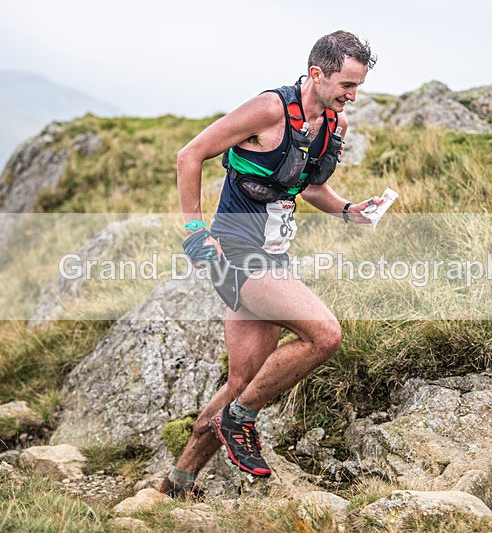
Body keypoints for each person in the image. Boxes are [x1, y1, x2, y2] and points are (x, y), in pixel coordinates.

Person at [162, 30, 381, 499]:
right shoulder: (269, 110)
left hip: (273, 255)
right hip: (234, 253)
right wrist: (194, 230)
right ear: (317, 73)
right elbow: (190, 154)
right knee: (325, 335)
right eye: (346, 84)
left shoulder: (332, 128)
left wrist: (347, 210)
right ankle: (240, 421)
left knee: (243, 380)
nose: (352, 95)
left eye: (358, 86)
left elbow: (305, 185)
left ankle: (178, 484)